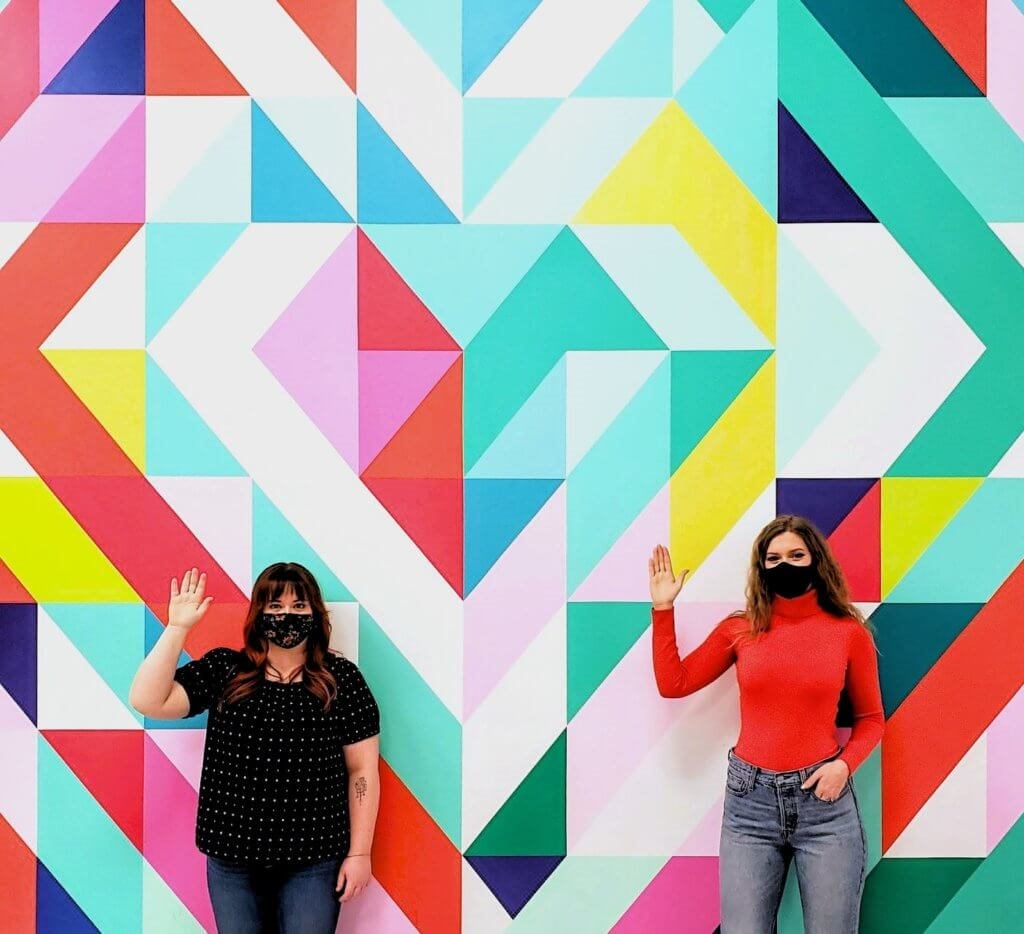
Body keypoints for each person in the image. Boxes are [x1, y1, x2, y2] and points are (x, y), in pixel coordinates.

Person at [648, 515, 884, 934]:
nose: (785, 566)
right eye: (773, 558)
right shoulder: (740, 629)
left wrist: (844, 766)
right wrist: (663, 607)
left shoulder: (848, 633)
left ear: (816, 561)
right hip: (749, 805)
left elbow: (870, 720)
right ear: (761, 568)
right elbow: (674, 683)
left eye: (796, 555)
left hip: (824, 806)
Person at [130, 562, 381, 934]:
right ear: (258, 613)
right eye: (275, 607)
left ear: (315, 614)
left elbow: (362, 770)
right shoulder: (225, 670)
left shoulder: (341, 680)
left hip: (313, 858)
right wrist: (178, 628)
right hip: (232, 857)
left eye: (299, 607)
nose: (286, 616)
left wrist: (360, 853)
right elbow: (147, 700)